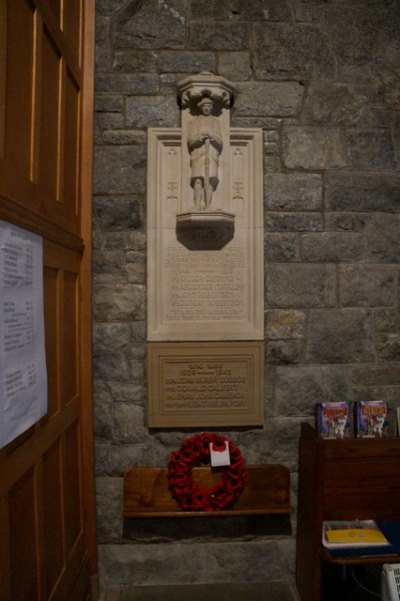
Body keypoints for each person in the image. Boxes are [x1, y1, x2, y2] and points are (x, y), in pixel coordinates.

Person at [187, 97, 223, 209]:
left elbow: (220, 142)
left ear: (211, 108)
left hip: (211, 155)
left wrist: (213, 137)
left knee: (210, 181)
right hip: (199, 155)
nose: (206, 108)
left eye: (209, 106)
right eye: (204, 106)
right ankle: (197, 205)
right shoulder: (194, 122)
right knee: (198, 180)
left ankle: (208, 206)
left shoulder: (215, 122)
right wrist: (199, 138)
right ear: (201, 108)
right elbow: (190, 141)